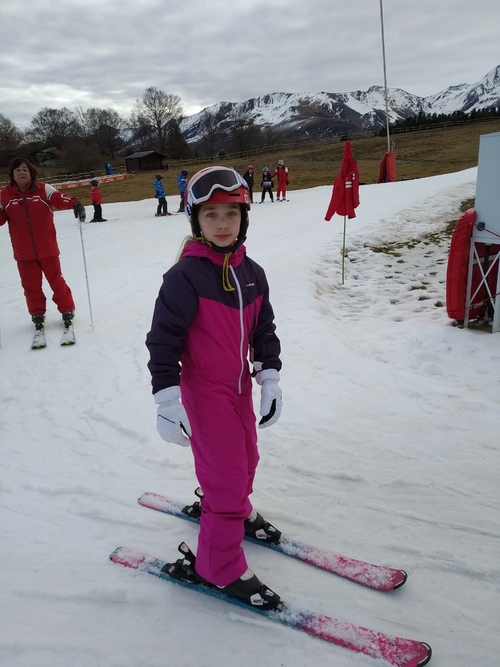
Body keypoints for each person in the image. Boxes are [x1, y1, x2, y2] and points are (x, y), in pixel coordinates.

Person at [145, 166, 283, 610]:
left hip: (239, 386)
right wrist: (167, 398)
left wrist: (270, 375)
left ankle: (231, 510)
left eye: (231, 213)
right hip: (203, 390)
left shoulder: (253, 272)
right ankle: (216, 568)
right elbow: (163, 339)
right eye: (210, 215)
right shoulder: (185, 277)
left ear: (244, 217)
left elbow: (264, 329)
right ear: (195, 221)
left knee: (247, 460)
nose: (222, 224)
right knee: (225, 477)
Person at [0, 157, 85, 332]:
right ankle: (37, 313)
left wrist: (74, 203)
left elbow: (59, 198)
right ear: (12, 175)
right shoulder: (4, 195)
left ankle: (67, 309)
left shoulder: (43, 189)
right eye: (18, 170)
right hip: (23, 252)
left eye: (25, 169)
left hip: (47, 248)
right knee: (30, 285)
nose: (22, 172)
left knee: (56, 281)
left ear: (31, 173)